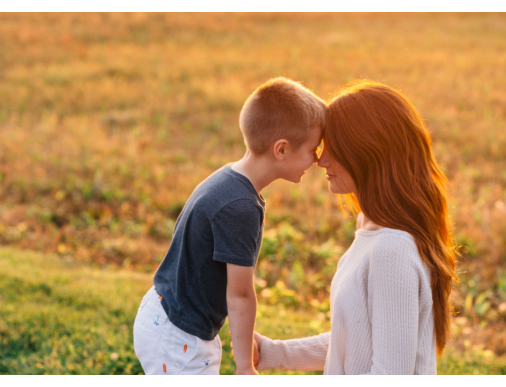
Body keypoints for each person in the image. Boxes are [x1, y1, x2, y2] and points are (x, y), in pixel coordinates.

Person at [254, 81, 459, 375]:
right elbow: (355, 342)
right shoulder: (373, 230)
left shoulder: (392, 251)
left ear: (367, 151)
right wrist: (274, 353)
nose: (321, 160)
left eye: (334, 148)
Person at [133, 77, 326, 375]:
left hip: (167, 315)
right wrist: (246, 367)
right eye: (313, 149)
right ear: (282, 150)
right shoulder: (240, 207)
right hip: (179, 336)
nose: (317, 159)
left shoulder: (229, 180)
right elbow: (240, 294)